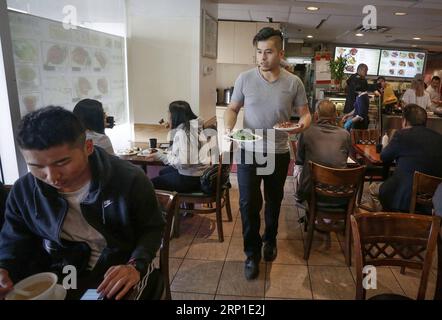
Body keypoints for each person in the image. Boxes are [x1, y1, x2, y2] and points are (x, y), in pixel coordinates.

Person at [0, 106, 165, 300]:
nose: (52, 177)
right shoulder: (25, 191)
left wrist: (135, 265)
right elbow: (14, 239)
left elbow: (152, 229)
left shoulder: (128, 180)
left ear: (88, 147)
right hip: (63, 270)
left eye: (62, 162)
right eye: (37, 166)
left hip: (117, 266)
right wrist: (4, 267)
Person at [224, 27, 311, 280]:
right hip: (249, 152)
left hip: (278, 151)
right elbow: (232, 108)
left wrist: (301, 125)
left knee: (273, 202)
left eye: (268, 52)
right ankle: (251, 253)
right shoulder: (244, 79)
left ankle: (269, 240)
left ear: (280, 53)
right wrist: (228, 126)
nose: (262, 57)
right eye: (259, 52)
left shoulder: (293, 82)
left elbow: (305, 114)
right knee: (248, 204)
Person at [377, 104, 442, 212]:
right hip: (432, 202)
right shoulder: (439, 139)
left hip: (402, 199)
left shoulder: (402, 135)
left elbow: (384, 156)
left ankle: (385, 224)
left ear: (405, 121)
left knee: (374, 191)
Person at [146, 101, 211, 193]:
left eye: (169, 114)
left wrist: (161, 156)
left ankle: (167, 206)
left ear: (175, 116)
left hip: (191, 179)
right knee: (163, 172)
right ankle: (174, 206)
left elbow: (184, 163)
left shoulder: (184, 133)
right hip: (200, 174)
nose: (168, 118)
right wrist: (166, 154)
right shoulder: (195, 127)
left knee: (150, 184)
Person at [295, 100, 351, 202]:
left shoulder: (307, 132)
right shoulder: (345, 134)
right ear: (335, 115)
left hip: (312, 191)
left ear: (316, 115)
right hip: (339, 192)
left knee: (299, 169)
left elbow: (299, 160)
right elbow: (345, 157)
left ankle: (301, 200)